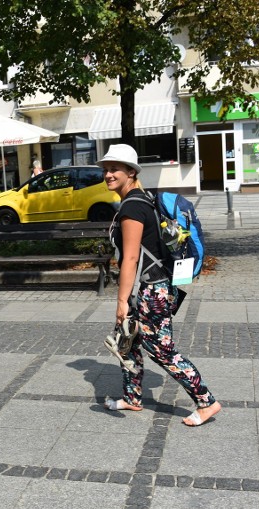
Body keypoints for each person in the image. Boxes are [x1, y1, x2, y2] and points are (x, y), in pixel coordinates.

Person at [99, 144, 220, 426]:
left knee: (162, 351)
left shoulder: (132, 206)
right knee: (127, 344)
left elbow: (129, 258)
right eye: (105, 169)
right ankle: (133, 397)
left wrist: (120, 301)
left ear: (131, 172)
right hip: (149, 288)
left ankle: (207, 402)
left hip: (151, 291)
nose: (108, 174)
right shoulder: (143, 199)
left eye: (115, 169)